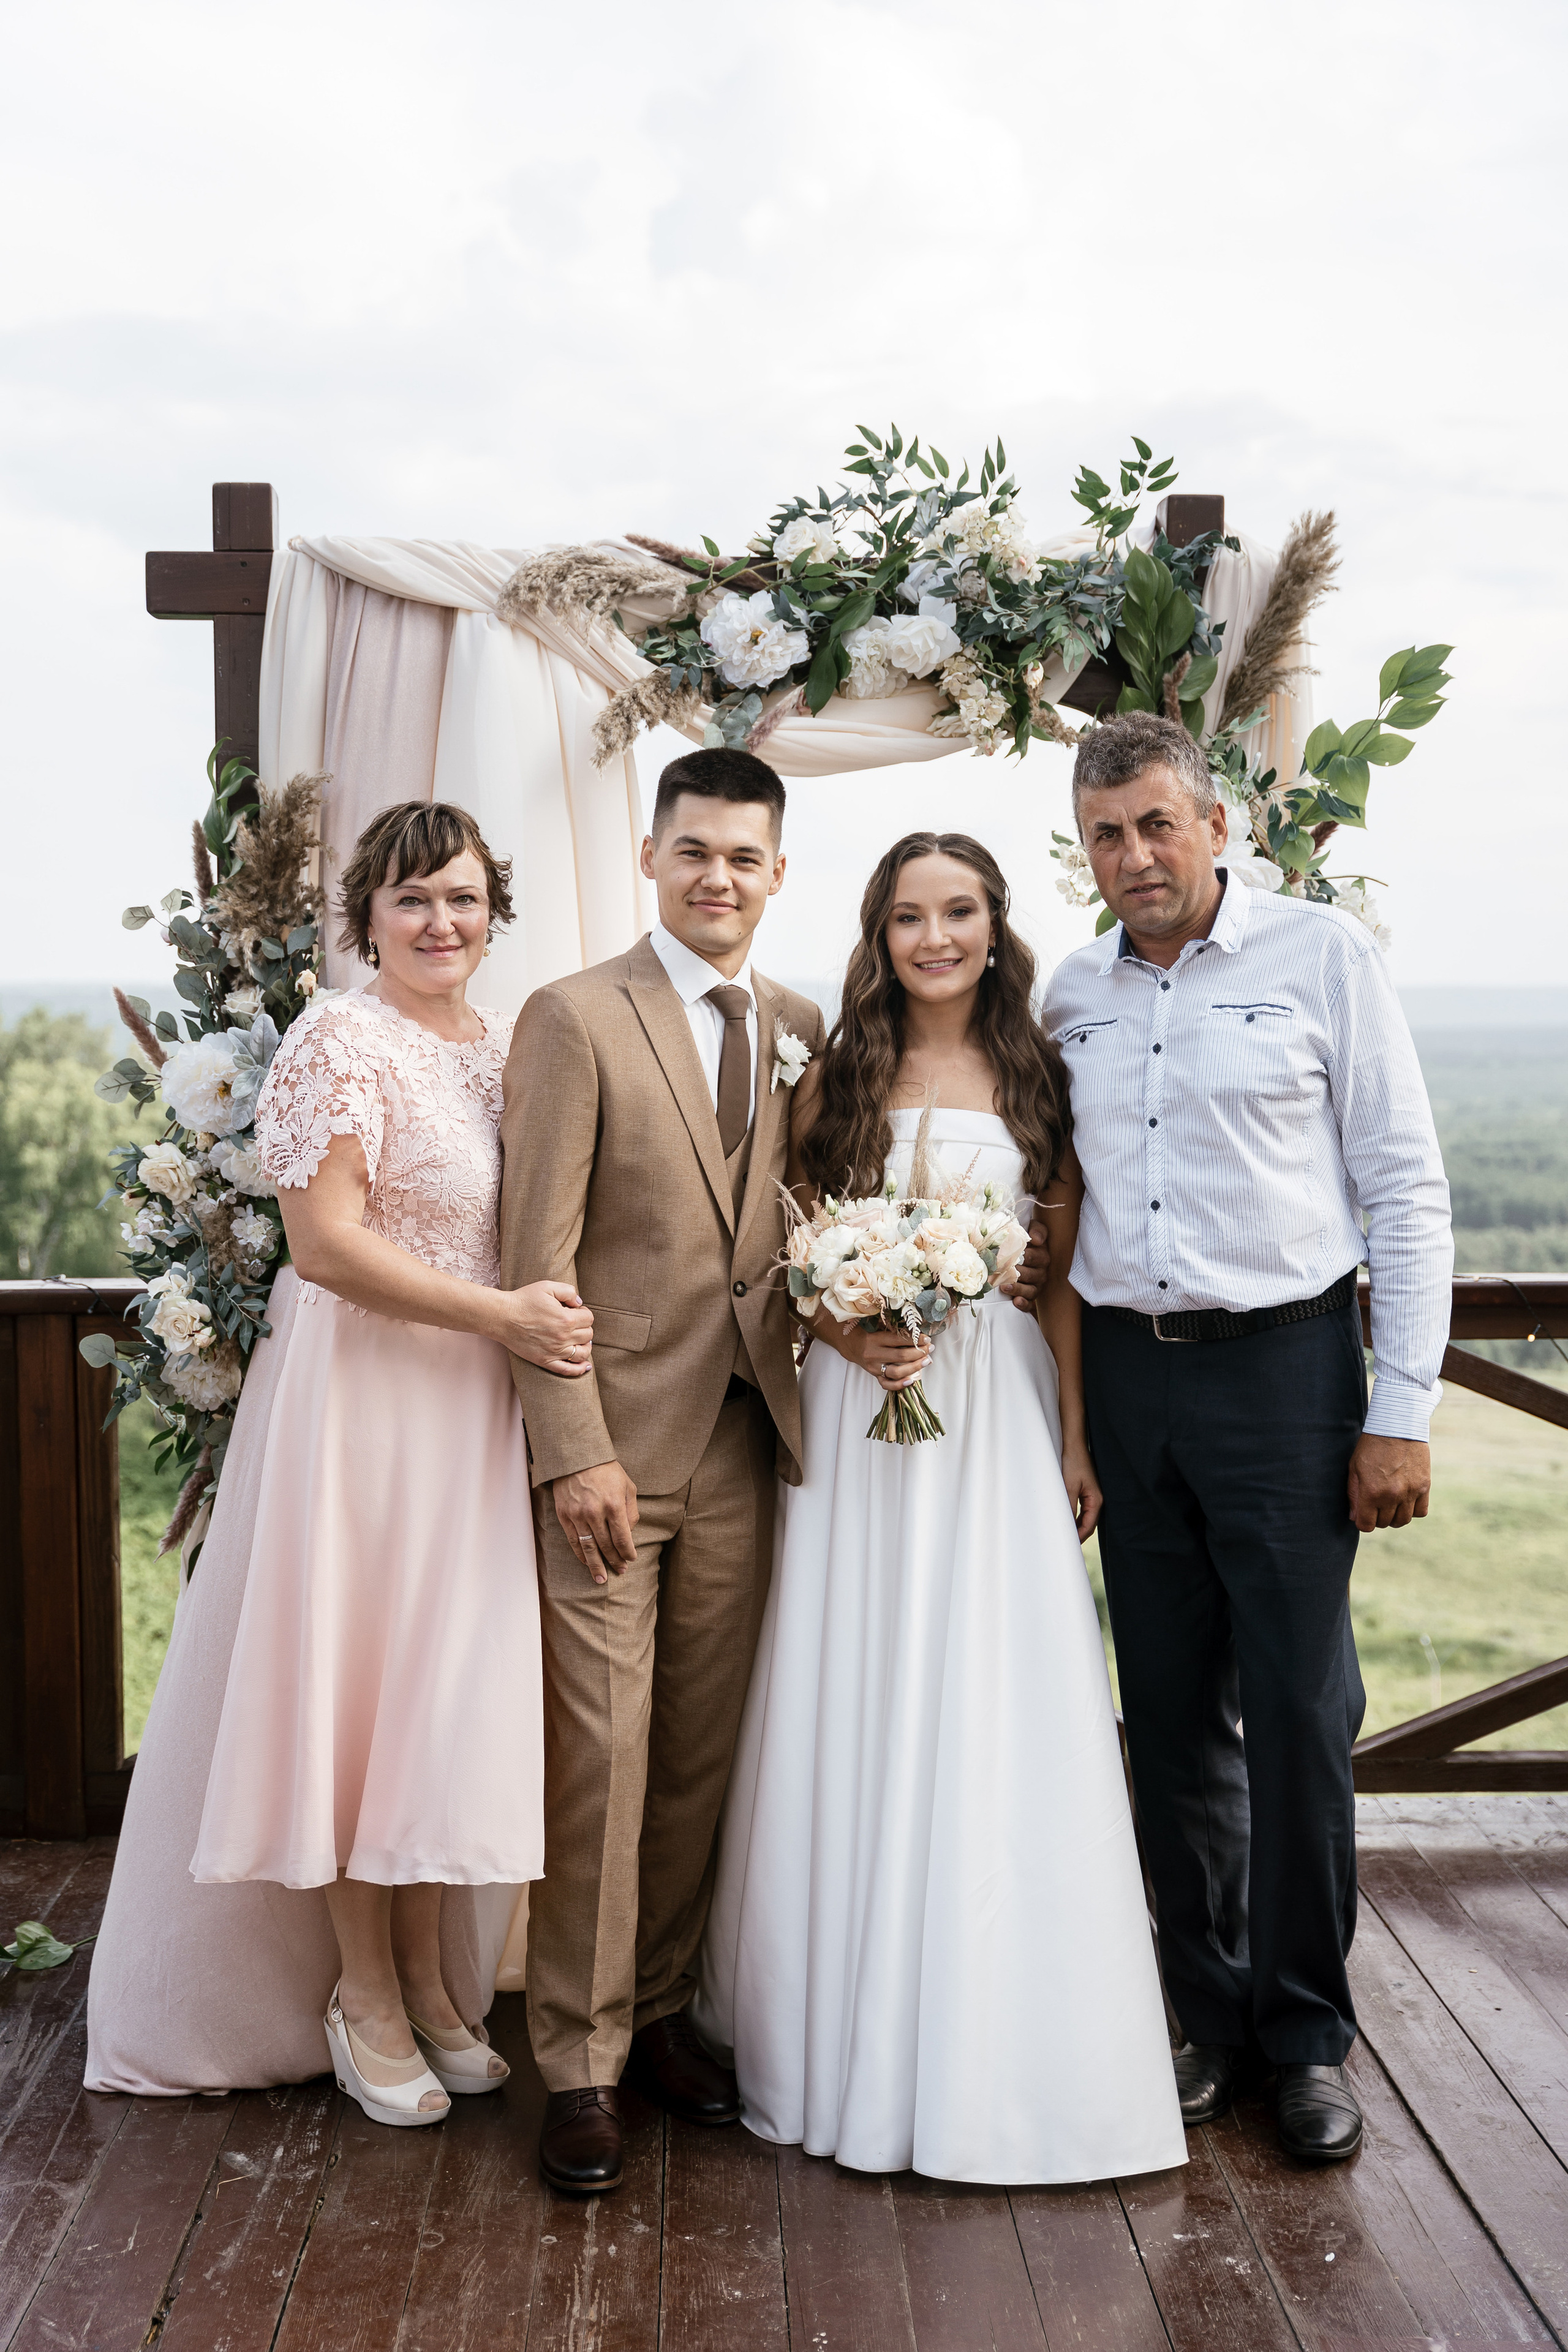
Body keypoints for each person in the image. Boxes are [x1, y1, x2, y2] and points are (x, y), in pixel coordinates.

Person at [693, 832, 1188, 2185]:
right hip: (868, 1410)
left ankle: (1000, 2028)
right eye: (908, 916)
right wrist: (847, 1329)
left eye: (956, 911)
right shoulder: (837, 1068)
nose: (934, 938)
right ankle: (835, 2022)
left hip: (998, 1411)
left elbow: (1062, 1276)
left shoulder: (1038, 1067)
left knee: (996, 1690)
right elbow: (784, 1248)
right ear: (878, 931)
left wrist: (1075, 1439)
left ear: (991, 921)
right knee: (854, 1684)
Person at [87, 802, 590, 2122]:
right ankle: (362, 1987)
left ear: (496, 916)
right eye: (414, 898)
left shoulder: (501, 1046)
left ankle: (432, 1979)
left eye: (465, 899)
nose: (441, 923)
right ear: (367, 914)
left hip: (471, 1414)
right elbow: (325, 1245)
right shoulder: (338, 1040)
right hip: (364, 1401)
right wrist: (502, 1319)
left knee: (439, 1688)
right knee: (361, 1692)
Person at [1013, 711, 1453, 2163]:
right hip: (1131, 1386)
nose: (1132, 856)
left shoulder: (1319, 957)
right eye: (1102, 835)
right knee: (1171, 1715)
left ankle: (1305, 2033)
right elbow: (1049, 1201)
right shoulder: (1069, 993)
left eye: (1153, 824)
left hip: (1286, 1374)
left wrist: (1398, 1409)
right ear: (1082, 854)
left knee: (1302, 1711)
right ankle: (1201, 2021)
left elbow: (1403, 1186)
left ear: (1215, 826)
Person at [500, 746, 827, 2195]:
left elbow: (803, 1226)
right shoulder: (573, 1018)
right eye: (693, 850)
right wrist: (571, 1451)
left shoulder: (801, 1023)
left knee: (698, 1758)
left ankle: (663, 2024)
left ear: (776, 874)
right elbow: (535, 1260)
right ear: (649, 857)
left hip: (751, 1447)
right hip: (611, 1457)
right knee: (604, 1760)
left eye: (744, 858)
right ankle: (575, 2061)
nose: (718, 878)